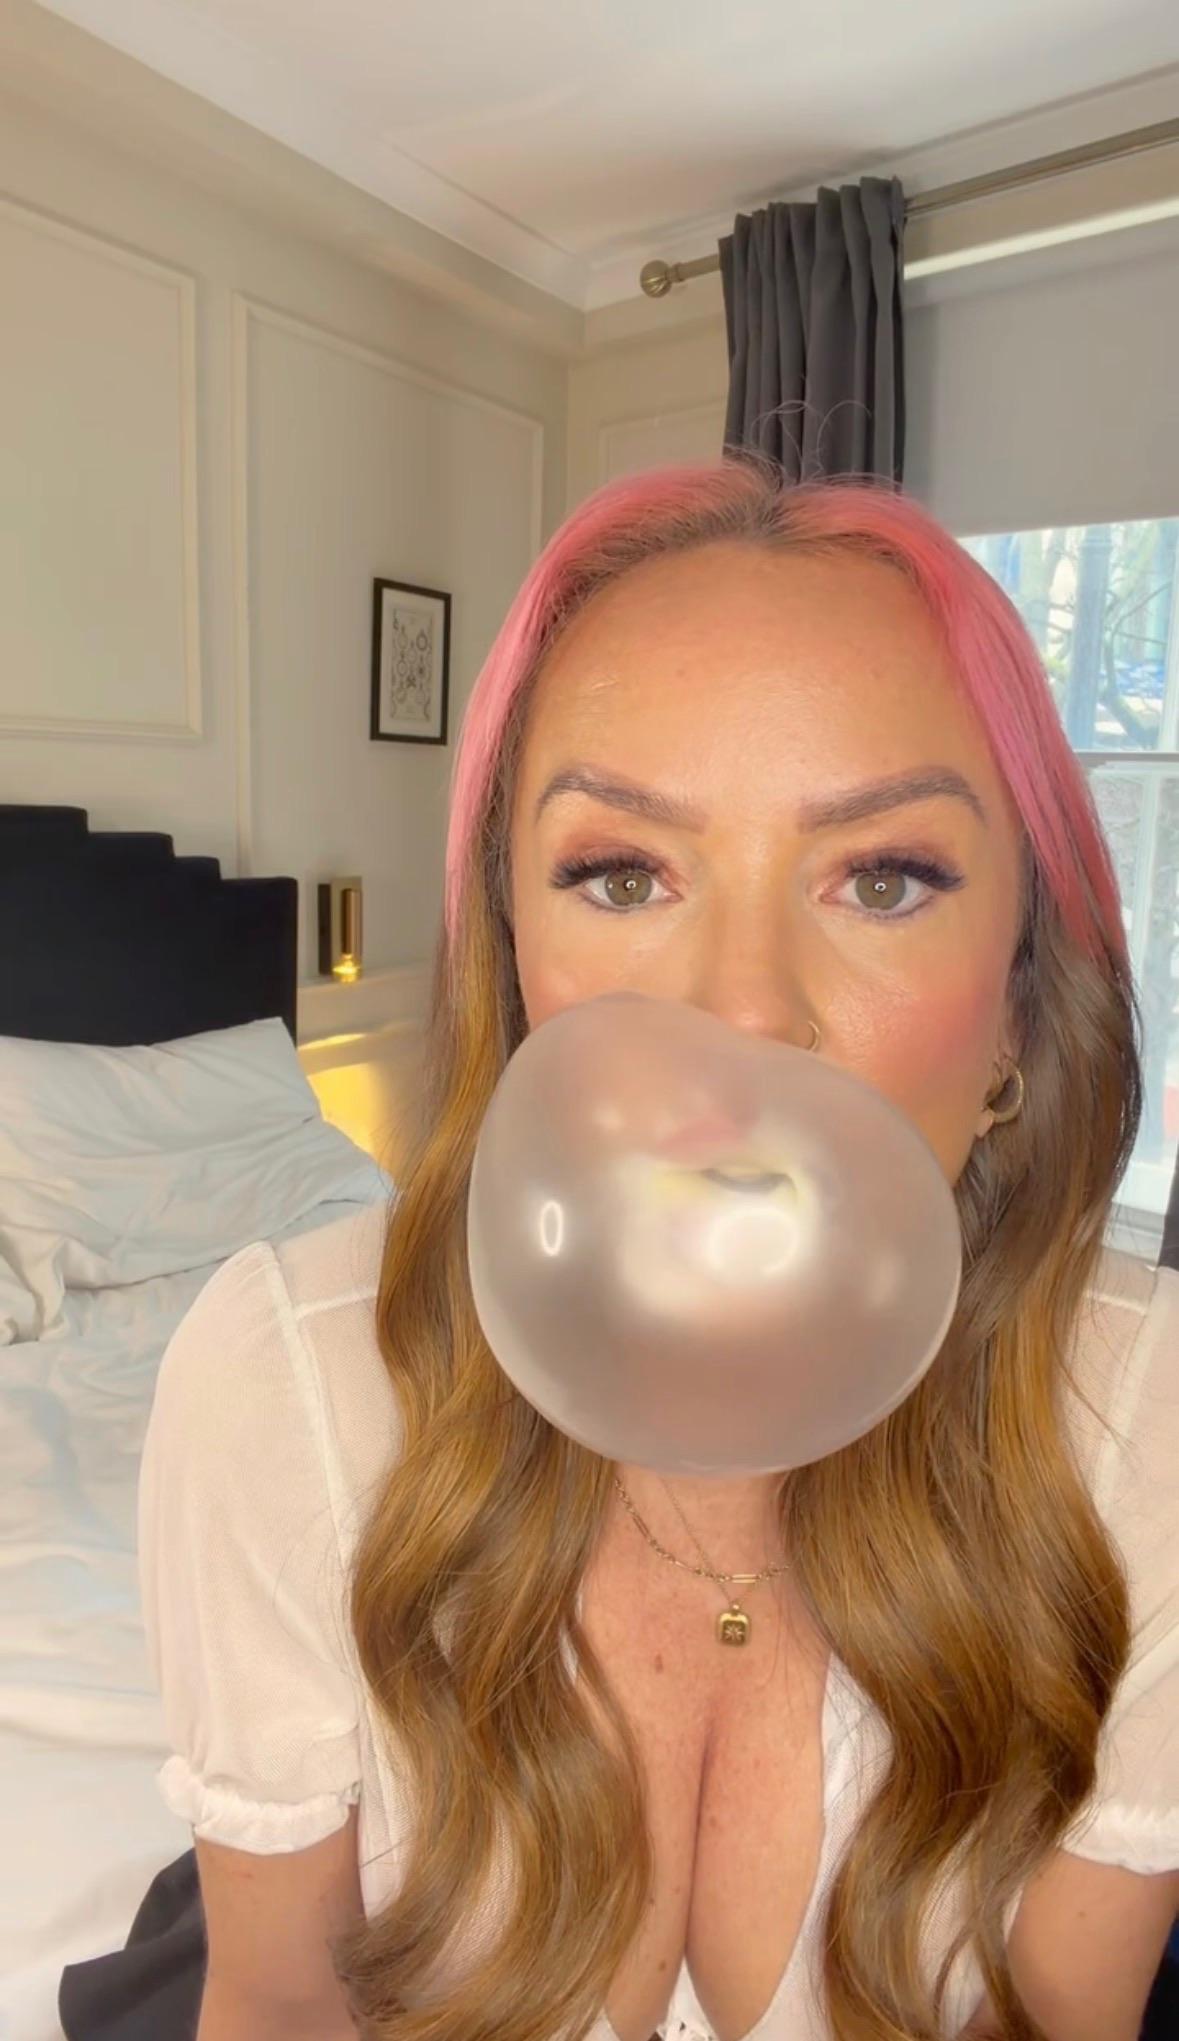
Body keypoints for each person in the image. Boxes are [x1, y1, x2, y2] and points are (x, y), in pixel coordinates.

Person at [136, 462, 1179, 2041]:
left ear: (1018, 1016)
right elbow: (279, 2004)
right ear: (516, 971)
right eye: (623, 874)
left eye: (883, 876)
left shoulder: (1145, 1435)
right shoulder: (281, 1384)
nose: (742, 1006)